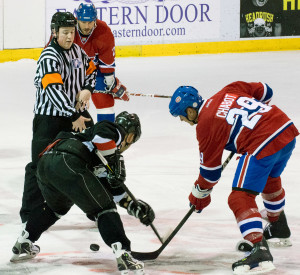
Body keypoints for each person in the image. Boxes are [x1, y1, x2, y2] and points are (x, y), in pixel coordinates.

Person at [169, 82, 299, 274]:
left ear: (190, 111)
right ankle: (278, 225)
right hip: (285, 129)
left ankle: (260, 251)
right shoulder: (228, 89)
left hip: (261, 142)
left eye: (181, 116)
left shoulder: (205, 124)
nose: (182, 121)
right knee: (270, 179)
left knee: (239, 198)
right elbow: (266, 90)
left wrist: (198, 195)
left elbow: (210, 173)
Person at [11, 111, 154, 275]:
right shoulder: (114, 130)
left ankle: (24, 242)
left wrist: (133, 206)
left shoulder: (98, 150)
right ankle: (124, 256)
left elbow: (110, 189)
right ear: (130, 136)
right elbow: (103, 135)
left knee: (56, 207)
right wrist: (114, 161)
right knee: (104, 208)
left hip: (47, 164)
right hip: (69, 160)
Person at [19, 12, 97, 225]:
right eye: (65, 33)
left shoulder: (78, 52)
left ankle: (98, 209)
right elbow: (54, 92)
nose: (70, 37)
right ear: (54, 32)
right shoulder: (49, 56)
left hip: (74, 114)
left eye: (72, 32)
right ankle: (30, 215)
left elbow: (92, 71)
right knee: (38, 166)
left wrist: (87, 89)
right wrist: (74, 114)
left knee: (94, 157)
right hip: (49, 120)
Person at [47, 4, 130, 122]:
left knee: (105, 103)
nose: (87, 26)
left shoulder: (103, 31)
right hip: (69, 72)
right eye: (83, 22)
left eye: (90, 22)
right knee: (68, 104)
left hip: (94, 73)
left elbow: (106, 63)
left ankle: (106, 135)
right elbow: (51, 56)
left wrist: (111, 82)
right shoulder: (67, 30)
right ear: (77, 20)